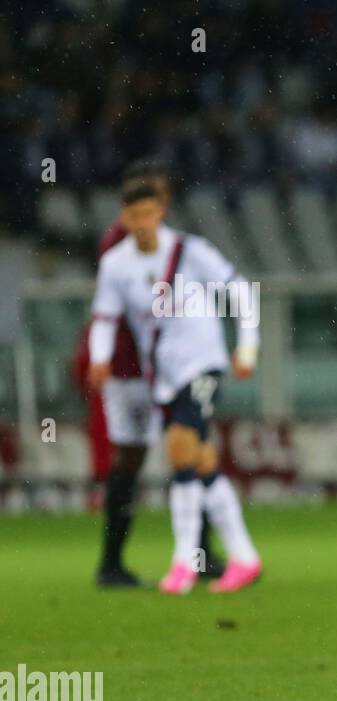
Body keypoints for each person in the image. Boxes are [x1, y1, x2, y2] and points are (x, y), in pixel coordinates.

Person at [88, 178, 262, 595]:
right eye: (134, 216)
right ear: (124, 218)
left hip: (203, 364)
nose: (142, 222)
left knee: (179, 448)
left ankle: (183, 564)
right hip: (163, 375)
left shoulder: (190, 250)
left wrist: (248, 347)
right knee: (201, 461)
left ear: (160, 212)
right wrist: (99, 357)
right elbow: (106, 317)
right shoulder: (116, 264)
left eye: (148, 213)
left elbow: (238, 289)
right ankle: (245, 557)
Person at [73, 159, 224, 587]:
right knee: (135, 456)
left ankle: (198, 555)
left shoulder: (173, 245)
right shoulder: (120, 247)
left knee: (189, 447)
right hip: (131, 372)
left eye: (161, 197)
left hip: (170, 368)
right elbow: (113, 312)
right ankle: (113, 561)